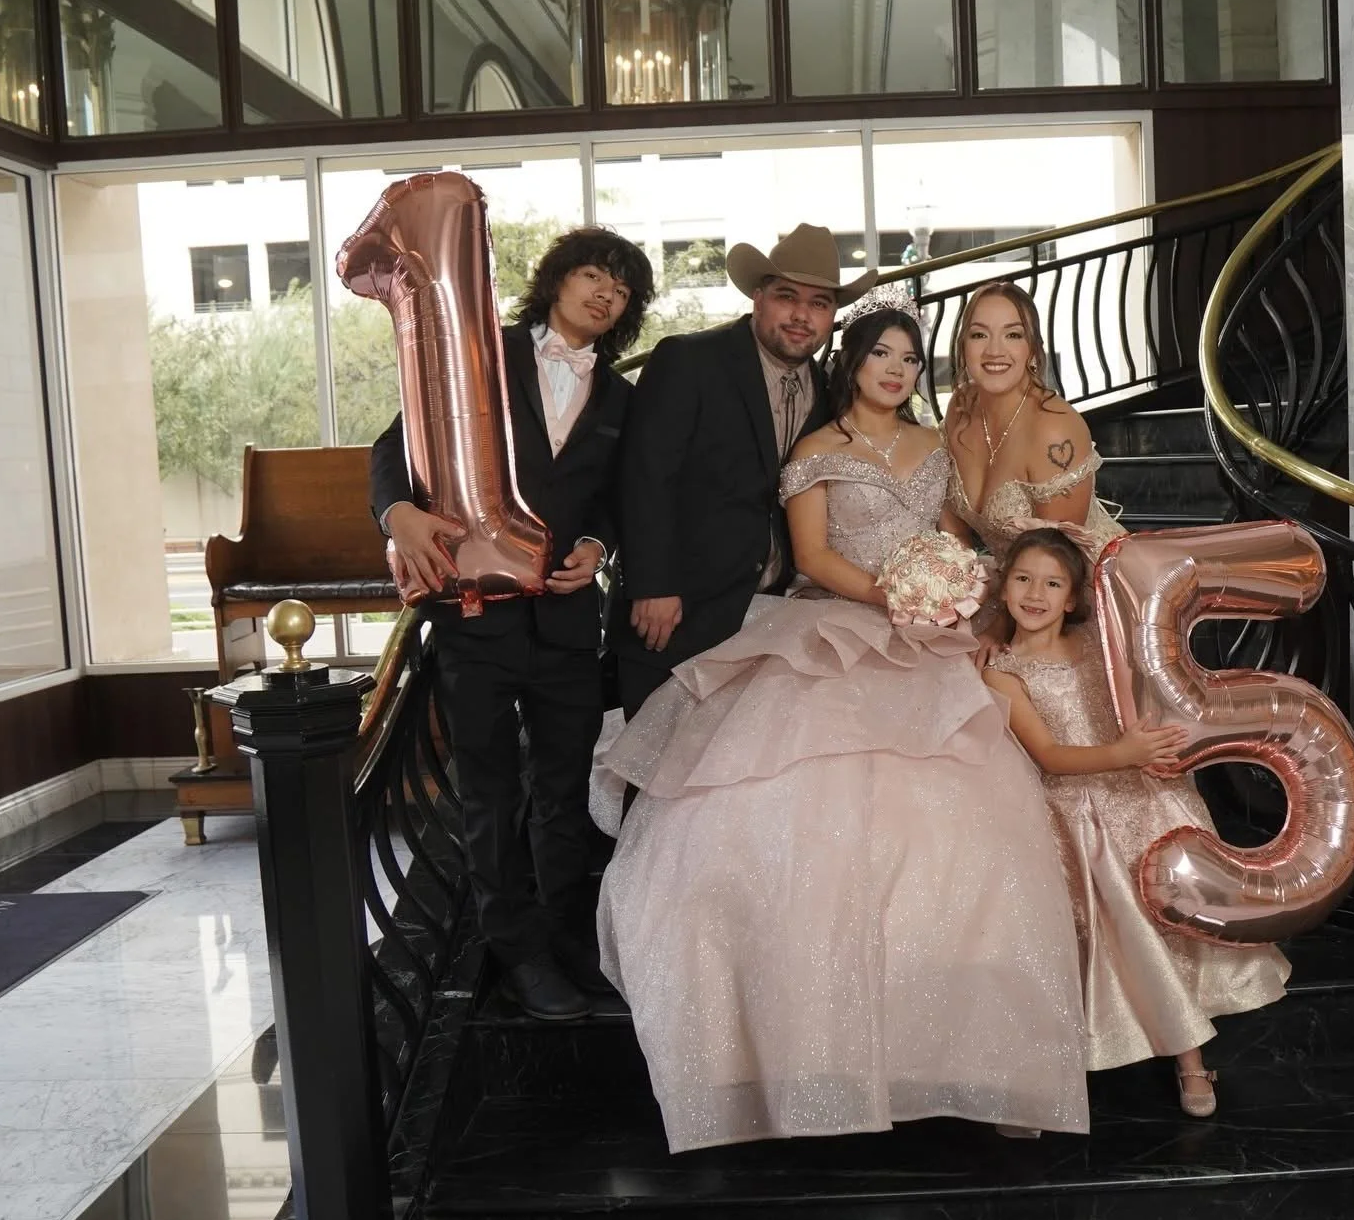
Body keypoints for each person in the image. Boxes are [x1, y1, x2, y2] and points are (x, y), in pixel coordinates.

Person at [596, 291, 1090, 1154]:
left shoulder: (937, 448)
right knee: (803, 839)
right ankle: (796, 1052)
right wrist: (893, 595)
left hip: (929, 640)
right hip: (830, 627)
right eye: (879, 356)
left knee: (962, 842)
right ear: (851, 365)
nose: (895, 371)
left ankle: (950, 1052)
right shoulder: (817, 449)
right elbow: (816, 555)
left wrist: (947, 596)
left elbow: (952, 541)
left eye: (908, 358)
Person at [370, 226, 655, 1023]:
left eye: (623, 289)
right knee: (490, 794)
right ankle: (516, 950)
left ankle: (565, 942)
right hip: (476, 619)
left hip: (567, 622)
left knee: (563, 794)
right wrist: (398, 516)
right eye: (594, 275)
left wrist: (598, 545)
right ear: (558, 279)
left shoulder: (622, 398)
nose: (606, 294)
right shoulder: (482, 355)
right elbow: (396, 446)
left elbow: (611, 500)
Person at [982, 528, 1292, 1117]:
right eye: (1023, 579)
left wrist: (1155, 751)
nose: (1035, 594)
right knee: (1120, 933)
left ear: (1073, 597)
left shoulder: (1099, 642)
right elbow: (1049, 755)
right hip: (1082, 813)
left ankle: (1193, 1061)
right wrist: (1123, 754)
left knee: (1170, 918)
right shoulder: (1004, 671)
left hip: (1145, 795)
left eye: (1052, 583)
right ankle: (1056, 1069)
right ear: (1004, 587)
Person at [612, 224, 869, 717]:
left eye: (819, 304)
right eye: (787, 297)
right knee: (654, 782)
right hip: (675, 614)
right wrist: (651, 586)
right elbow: (645, 478)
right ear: (758, 296)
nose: (801, 315)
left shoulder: (828, 389)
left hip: (768, 622)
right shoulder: (690, 359)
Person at [942, 281, 1125, 565]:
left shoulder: (1054, 428)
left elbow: (1059, 560)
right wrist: (959, 581)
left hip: (1083, 585)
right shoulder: (961, 407)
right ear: (963, 345)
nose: (994, 351)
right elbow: (954, 529)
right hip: (1014, 582)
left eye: (1013, 335)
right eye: (979, 335)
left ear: (1032, 349)